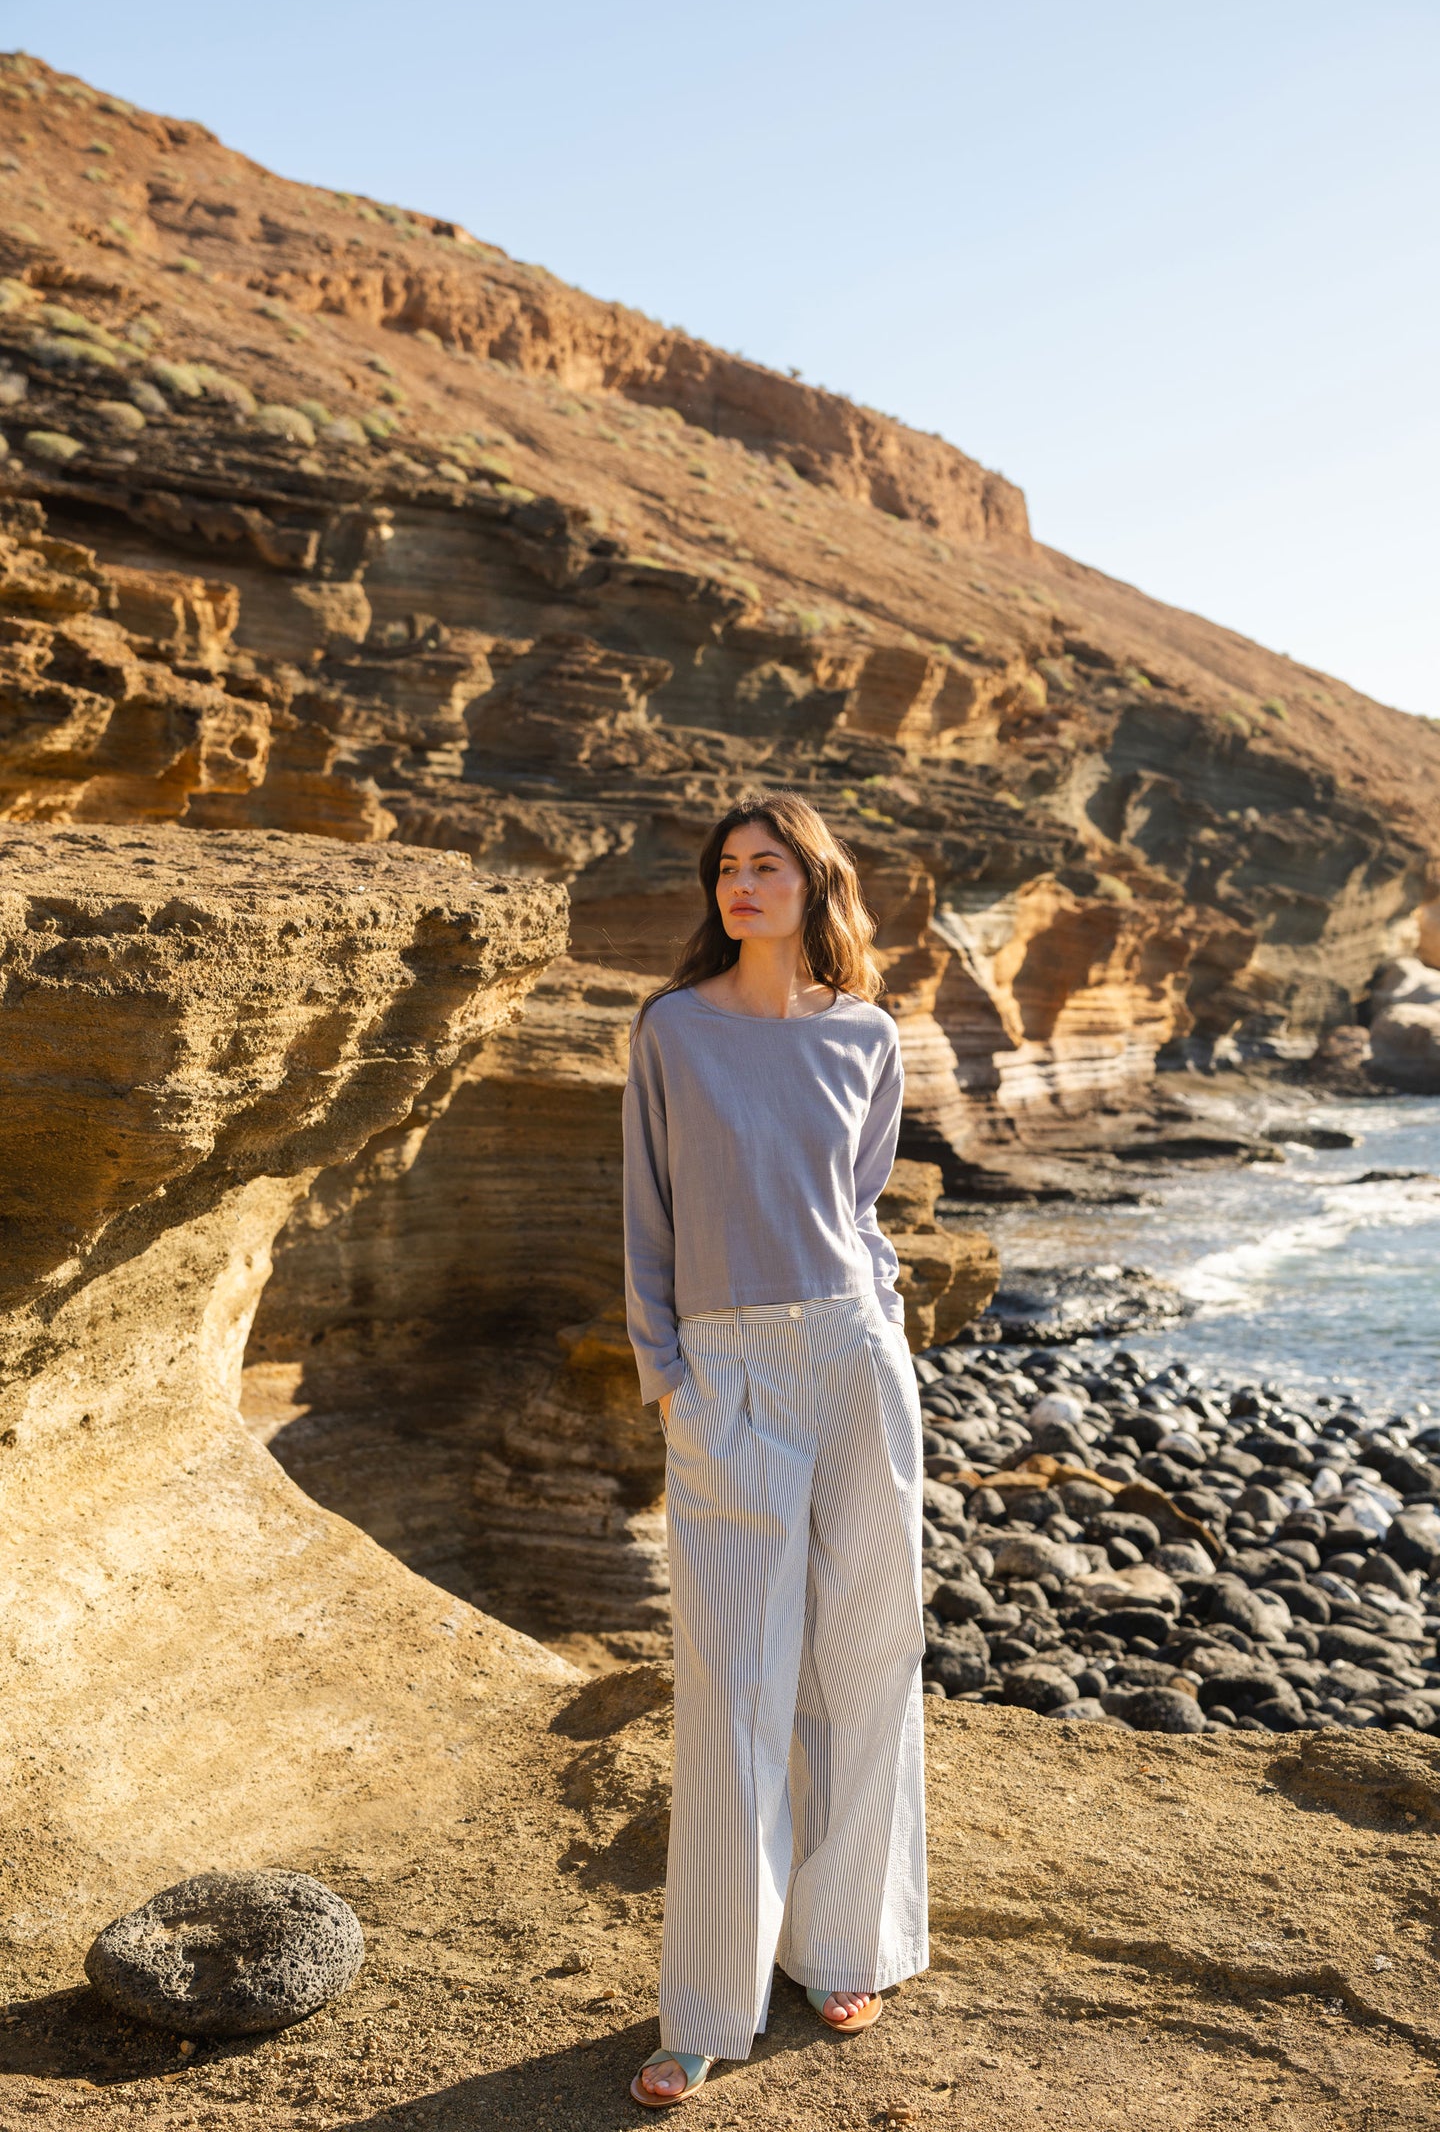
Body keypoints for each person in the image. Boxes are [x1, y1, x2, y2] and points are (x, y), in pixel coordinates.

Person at [621, 790, 928, 2108]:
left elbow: (862, 1207)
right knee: (734, 1690)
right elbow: (644, 1214)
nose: (742, 886)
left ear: (814, 884)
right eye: (726, 869)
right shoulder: (672, 1032)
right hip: (728, 1371)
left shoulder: (867, 1034)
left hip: (855, 1362)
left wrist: (884, 1324)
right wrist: (674, 1385)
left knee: (862, 1662)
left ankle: (847, 1943)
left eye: (767, 866)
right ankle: (705, 2004)